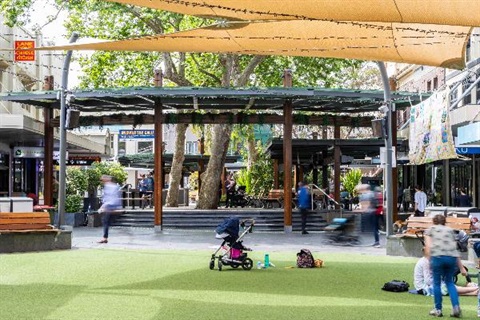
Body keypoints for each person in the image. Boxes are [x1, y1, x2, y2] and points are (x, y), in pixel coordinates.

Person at [424, 214, 467, 317]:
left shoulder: (430, 230)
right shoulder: (450, 230)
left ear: (434, 222)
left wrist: (429, 261)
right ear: (444, 222)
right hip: (451, 258)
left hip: (438, 257)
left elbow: (428, 247)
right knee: (449, 282)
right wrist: (461, 268)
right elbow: (455, 250)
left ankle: (438, 309)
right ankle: (456, 308)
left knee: (437, 283)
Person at [414, 254, 478, 296]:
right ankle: (475, 289)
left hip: (431, 284)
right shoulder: (426, 262)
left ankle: (473, 292)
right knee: (447, 288)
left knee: (448, 287)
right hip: (424, 288)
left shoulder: (431, 260)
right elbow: (428, 281)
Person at [98, 175, 121, 244]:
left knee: (105, 222)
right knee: (106, 222)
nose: (102, 182)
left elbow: (111, 198)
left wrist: (104, 206)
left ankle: (105, 238)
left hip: (109, 207)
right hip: (111, 206)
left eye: (102, 180)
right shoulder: (113, 186)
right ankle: (105, 237)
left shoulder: (109, 187)